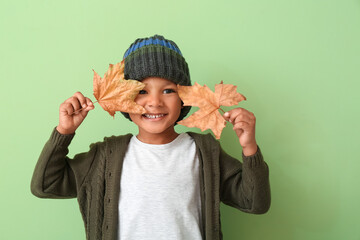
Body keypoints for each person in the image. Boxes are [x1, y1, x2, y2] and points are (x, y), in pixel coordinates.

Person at [31, 34, 270, 240]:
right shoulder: (105, 156)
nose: (155, 102)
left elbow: (255, 202)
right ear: (123, 99)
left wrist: (249, 147)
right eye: (141, 91)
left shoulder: (204, 152)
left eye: (168, 90)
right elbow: (45, 185)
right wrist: (64, 132)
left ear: (184, 98)